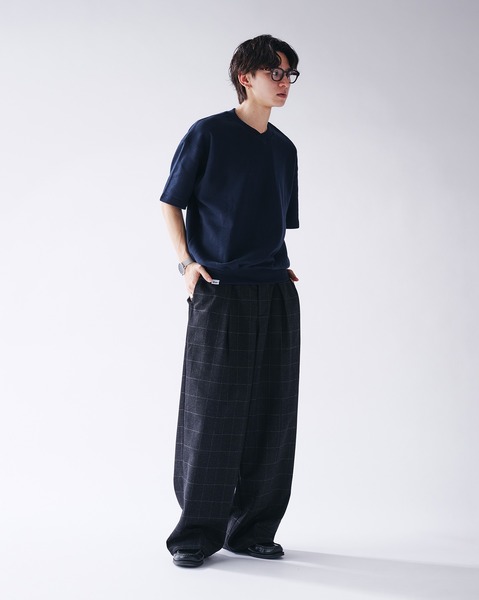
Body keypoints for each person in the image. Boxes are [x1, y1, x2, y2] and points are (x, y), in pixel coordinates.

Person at [159, 34, 301, 568]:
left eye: (290, 74)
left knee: (272, 414)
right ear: (247, 77)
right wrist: (186, 263)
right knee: (213, 413)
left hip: (275, 291)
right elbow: (171, 202)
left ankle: (253, 530)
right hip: (219, 290)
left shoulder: (284, 149)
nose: (285, 83)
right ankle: (196, 534)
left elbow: (272, 222)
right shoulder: (209, 133)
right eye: (276, 73)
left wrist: (278, 269)